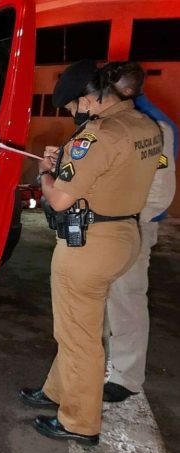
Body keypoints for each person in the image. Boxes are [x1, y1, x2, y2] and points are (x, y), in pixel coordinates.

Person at [19, 60, 162, 445]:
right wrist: (63, 165)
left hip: (90, 243)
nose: (71, 114)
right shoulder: (146, 127)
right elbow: (113, 175)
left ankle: (79, 423)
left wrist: (46, 175)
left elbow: (61, 199)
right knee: (78, 326)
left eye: (71, 107)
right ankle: (55, 391)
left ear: (88, 98)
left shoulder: (99, 135)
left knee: (78, 334)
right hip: (125, 233)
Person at [101, 62, 177, 402]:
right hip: (107, 225)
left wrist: (130, 221)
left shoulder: (155, 126)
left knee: (126, 299)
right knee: (100, 299)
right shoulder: (116, 119)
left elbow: (161, 190)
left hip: (134, 226)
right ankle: (97, 364)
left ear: (127, 92)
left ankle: (126, 376)